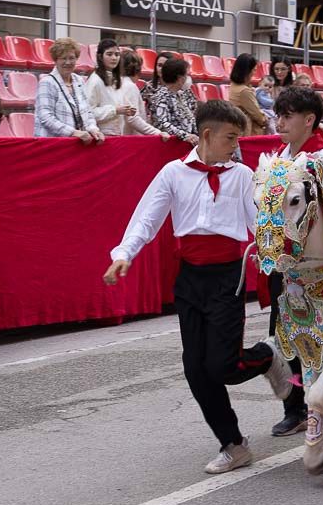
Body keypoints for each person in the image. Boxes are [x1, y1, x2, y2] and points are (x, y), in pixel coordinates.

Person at [104, 100, 291, 474]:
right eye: (230, 138)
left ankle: (269, 356)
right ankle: (233, 444)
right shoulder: (173, 173)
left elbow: (259, 225)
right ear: (207, 135)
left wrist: (280, 256)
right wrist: (124, 253)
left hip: (227, 277)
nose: (236, 146)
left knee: (224, 365)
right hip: (189, 278)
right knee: (196, 368)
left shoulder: (241, 175)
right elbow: (147, 218)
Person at [266, 86, 323, 436]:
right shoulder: (277, 159)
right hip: (287, 264)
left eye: (287, 115)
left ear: (309, 120)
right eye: (277, 115)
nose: (279, 122)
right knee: (288, 332)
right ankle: (297, 407)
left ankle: (315, 407)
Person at [86, 42, 168, 138]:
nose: (114, 58)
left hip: (116, 136)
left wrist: (123, 111)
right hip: (103, 137)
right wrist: (115, 110)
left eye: (117, 54)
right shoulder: (96, 80)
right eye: (109, 54)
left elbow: (128, 115)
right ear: (100, 56)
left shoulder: (116, 80)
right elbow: (88, 113)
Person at [35, 38, 104, 142]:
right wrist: (73, 132)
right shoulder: (47, 82)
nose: (68, 62)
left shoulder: (79, 80)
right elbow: (46, 117)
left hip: (75, 143)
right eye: (63, 58)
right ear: (55, 60)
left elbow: (88, 112)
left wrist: (93, 129)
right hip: (52, 144)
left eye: (72, 58)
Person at [149, 57, 200, 145]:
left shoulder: (181, 94)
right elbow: (163, 124)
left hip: (187, 144)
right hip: (171, 146)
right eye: (186, 75)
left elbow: (189, 118)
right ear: (179, 78)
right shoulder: (161, 96)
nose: (188, 78)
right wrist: (185, 136)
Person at [225, 54, 270, 136]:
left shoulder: (234, 85)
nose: (254, 73)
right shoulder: (244, 91)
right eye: (254, 70)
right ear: (247, 71)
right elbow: (258, 116)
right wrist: (266, 120)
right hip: (248, 133)